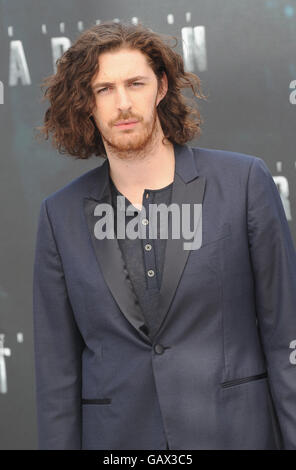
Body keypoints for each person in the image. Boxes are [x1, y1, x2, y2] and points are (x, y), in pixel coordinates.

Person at [33, 20, 296, 450]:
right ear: (87, 104)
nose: (122, 104)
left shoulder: (243, 182)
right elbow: (57, 378)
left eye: (135, 84)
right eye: (103, 90)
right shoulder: (59, 216)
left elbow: (287, 336)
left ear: (160, 88)